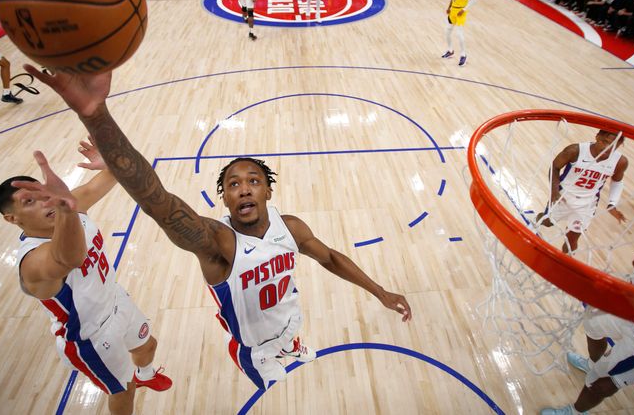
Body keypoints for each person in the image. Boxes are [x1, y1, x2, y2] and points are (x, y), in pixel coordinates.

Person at [21, 66, 412, 391]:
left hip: (290, 323)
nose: (244, 188)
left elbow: (329, 258)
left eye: (253, 180)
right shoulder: (215, 243)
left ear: (268, 190)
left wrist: (379, 291)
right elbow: (153, 195)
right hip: (254, 350)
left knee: (291, 331)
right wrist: (95, 115)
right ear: (223, 200)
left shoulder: (289, 227)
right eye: (233, 184)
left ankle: (292, 345)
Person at [0, 138, 172, 415]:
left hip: (116, 301)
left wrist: (111, 161)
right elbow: (70, 256)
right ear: (12, 218)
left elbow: (122, 172)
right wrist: (65, 208)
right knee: (124, 392)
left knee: (148, 345)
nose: (45, 203)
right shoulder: (33, 262)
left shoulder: (69, 206)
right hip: (90, 336)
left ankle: (146, 375)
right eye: (30, 201)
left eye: (43, 194)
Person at [541, 236, 634, 415]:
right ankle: (592, 363)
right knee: (593, 322)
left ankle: (575, 412)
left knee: (599, 383)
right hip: (633, 318)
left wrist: (619, 374)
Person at [537, 130, 628, 253]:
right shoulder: (575, 150)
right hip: (563, 196)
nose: (608, 148)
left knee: (572, 240)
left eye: (613, 146)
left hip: (586, 205)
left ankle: (565, 263)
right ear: (597, 137)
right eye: (605, 142)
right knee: (547, 223)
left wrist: (612, 204)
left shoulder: (620, 162)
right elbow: (555, 167)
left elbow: (617, 182)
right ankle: (538, 217)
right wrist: (554, 191)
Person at [442, 0, 476, 66]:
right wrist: (449, 7)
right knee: (447, 31)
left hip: (461, 11)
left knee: (459, 34)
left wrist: (464, 9)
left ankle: (463, 55)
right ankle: (450, 50)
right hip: (453, 10)